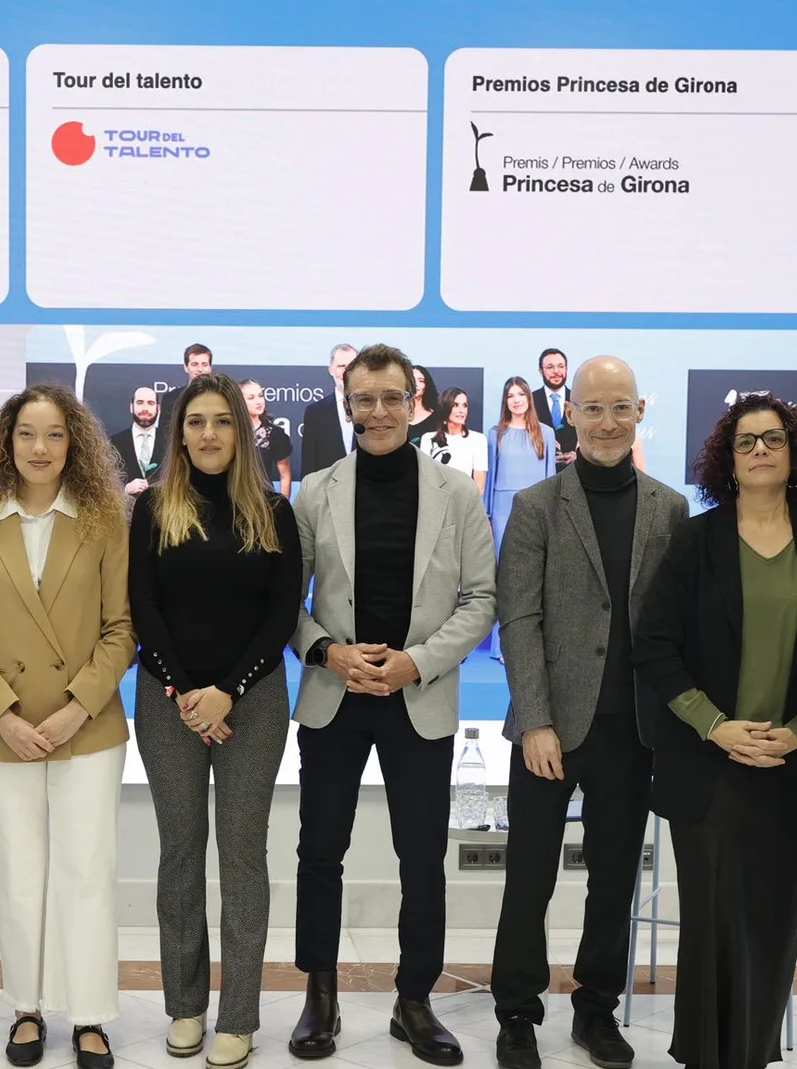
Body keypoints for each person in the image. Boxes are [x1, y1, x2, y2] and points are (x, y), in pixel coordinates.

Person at [288, 344, 496, 1067]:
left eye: (390, 398)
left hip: (418, 694)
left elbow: (481, 600)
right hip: (335, 696)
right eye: (364, 398)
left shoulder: (458, 495)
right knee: (320, 852)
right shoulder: (314, 490)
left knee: (421, 859)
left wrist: (416, 662)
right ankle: (320, 993)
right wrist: (328, 653)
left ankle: (415, 1000)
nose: (377, 411)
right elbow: (286, 603)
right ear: (347, 404)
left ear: (415, 403)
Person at [491, 356, 689, 1069]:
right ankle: (516, 1013)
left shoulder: (670, 507)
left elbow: (670, 625)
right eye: (594, 408)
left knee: (614, 878)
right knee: (530, 877)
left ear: (639, 414)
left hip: (632, 731)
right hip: (550, 729)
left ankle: (596, 1009)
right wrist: (536, 719)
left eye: (621, 408)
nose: (608, 421)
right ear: (569, 412)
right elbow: (518, 617)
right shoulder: (538, 505)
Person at [633, 395, 797, 1069]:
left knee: (773, 923)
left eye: (772, 439)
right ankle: (703, 1055)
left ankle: (750, 1053)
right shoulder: (695, 541)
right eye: (745, 441)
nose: (759, 451)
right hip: (709, 761)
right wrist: (716, 726)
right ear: (727, 457)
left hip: (791, 763)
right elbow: (656, 644)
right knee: (714, 921)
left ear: (794, 451)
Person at [0, 383, 135, 1069]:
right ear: (6, 442)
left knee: (86, 869)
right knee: (19, 871)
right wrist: (3, 713)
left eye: (55, 434)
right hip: (6, 730)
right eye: (27, 434)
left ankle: (89, 1016)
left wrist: (77, 706)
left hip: (88, 724)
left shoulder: (104, 519)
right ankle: (26, 1005)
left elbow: (122, 628)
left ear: (74, 441)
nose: (40, 448)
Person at [131, 375, 302, 1069]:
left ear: (242, 432)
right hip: (167, 702)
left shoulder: (273, 510)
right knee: (179, 853)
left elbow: (280, 614)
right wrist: (183, 689)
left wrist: (227, 691)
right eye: (195, 421)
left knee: (240, 855)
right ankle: (185, 1006)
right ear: (179, 433)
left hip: (252, 703)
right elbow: (143, 606)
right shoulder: (151, 510)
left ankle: (238, 1015)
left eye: (221, 422)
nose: (208, 434)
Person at [486, 376, 557, 660]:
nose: (516, 400)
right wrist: (488, 515)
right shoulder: (495, 433)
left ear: (529, 398)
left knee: (536, 574)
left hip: (538, 508)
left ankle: (533, 639)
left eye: (520, 395)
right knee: (507, 576)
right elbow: (490, 477)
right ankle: (503, 644)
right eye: (510, 396)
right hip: (504, 508)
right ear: (505, 402)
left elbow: (551, 478)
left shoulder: (547, 433)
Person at [297, 343, 357, 478]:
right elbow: (309, 463)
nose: (346, 371)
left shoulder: (372, 408)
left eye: (351, 366)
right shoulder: (315, 412)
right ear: (331, 370)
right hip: (327, 492)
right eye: (341, 366)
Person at [417, 387, 488, 495]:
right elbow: (425, 478)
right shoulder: (428, 439)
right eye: (455, 405)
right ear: (445, 407)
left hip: (464, 502)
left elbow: (479, 485)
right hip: (436, 501)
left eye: (465, 405)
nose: (461, 410)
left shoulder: (478, 439)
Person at [156, 342, 216, 449]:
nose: (200, 369)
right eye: (195, 364)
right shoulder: (170, 399)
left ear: (210, 368)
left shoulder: (221, 398)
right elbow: (163, 437)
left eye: (204, 364)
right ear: (186, 367)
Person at [241, 378, 294, 496]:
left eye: (260, 396)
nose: (259, 401)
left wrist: (282, 507)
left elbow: (285, 474)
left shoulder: (274, 434)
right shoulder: (229, 433)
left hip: (264, 503)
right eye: (251, 398)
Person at [111, 386, 160, 502]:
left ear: (158, 408)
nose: (145, 408)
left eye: (150, 403)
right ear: (131, 407)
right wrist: (125, 490)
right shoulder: (114, 442)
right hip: (126, 516)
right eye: (140, 403)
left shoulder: (171, 441)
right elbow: (103, 483)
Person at [532, 349, 576, 469]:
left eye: (561, 366)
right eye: (550, 367)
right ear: (541, 371)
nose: (556, 371)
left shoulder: (579, 400)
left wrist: (577, 454)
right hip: (539, 471)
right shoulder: (530, 401)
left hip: (573, 472)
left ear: (566, 369)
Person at [407, 365, 442, 442]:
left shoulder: (437, 416)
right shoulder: (395, 413)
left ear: (426, 385)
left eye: (421, 380)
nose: (416, 384)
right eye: (412, 379)